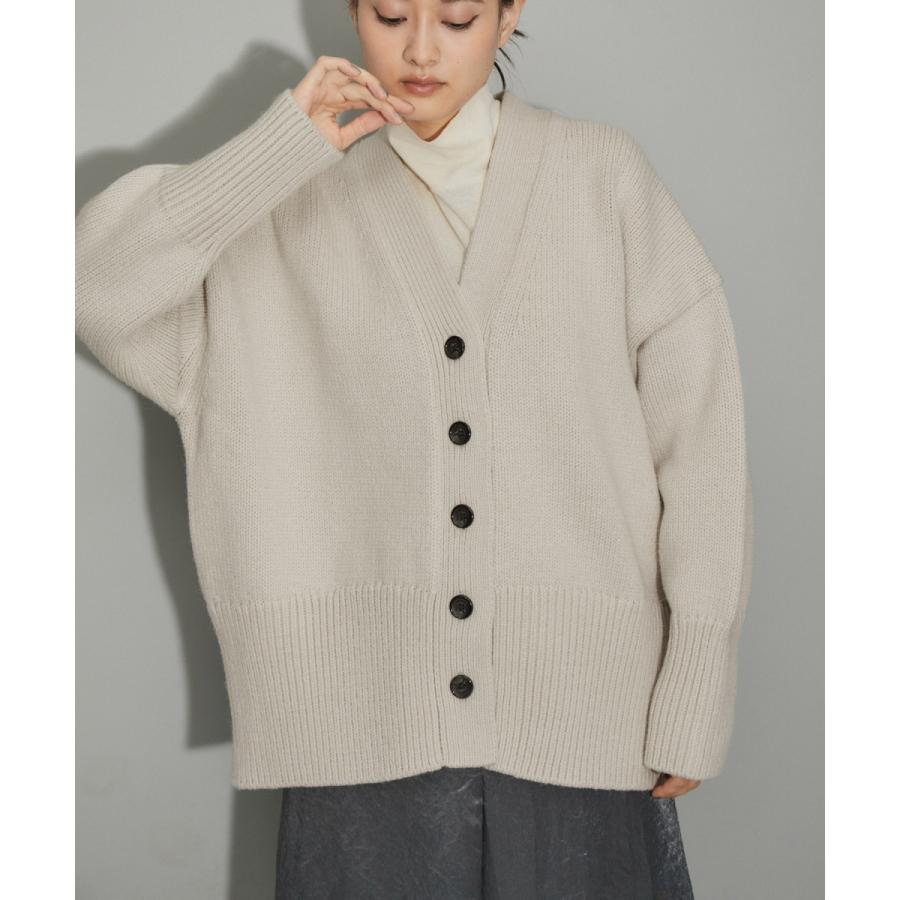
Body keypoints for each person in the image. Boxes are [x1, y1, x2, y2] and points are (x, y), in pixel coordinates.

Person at [75, 1, 753, 896]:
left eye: (459, 18)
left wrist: (697, 679)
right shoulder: (281, 195)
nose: (422, 49)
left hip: (588, 718)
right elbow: (93, 287)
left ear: (508, 16)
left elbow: (701, 444)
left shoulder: (603, 178)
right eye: (391, 14)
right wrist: (278, 149)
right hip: (354, 727)